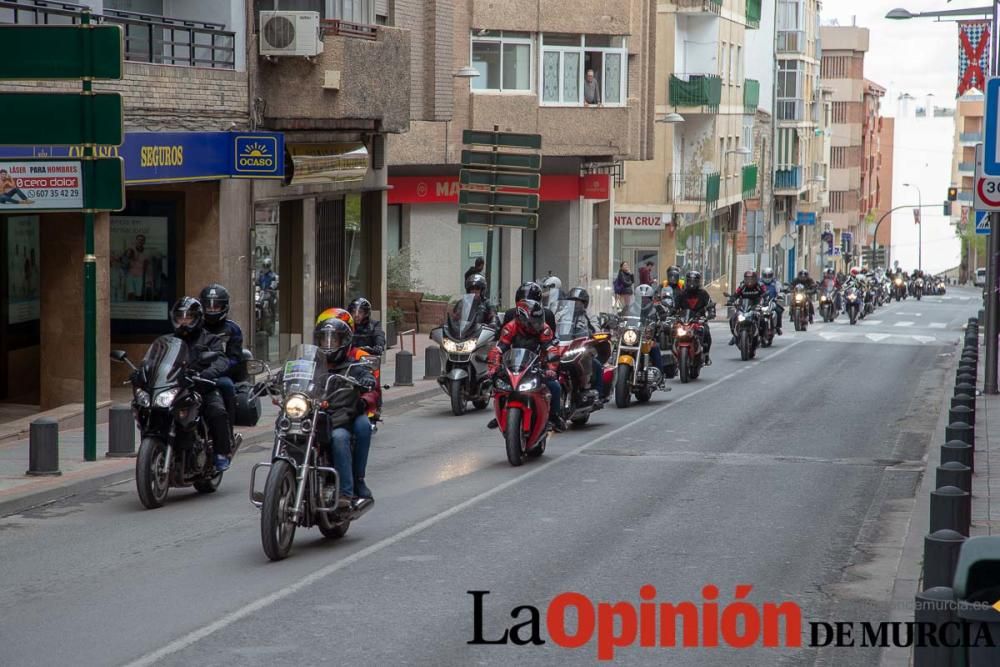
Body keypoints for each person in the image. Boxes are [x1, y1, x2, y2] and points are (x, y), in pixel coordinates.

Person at [313, 318, 379, 505]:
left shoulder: (353, 365)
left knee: (342, 437)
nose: (327, 345)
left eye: (332, 340)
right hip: (312, 416)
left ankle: (348, 490)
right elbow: (293, 373)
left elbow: (368, 377)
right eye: (323, 340)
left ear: (343, 343)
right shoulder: (313, 365)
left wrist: (367, 381)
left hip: (340, 418)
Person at [169, 297, 233, 471]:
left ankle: (221, 452)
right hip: (173, 389)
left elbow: (221, 359)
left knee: (216, 411)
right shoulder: (168, 341)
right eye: (180, 317)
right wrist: (143, 371)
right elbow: (154, 360)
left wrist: (207, 373)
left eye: (188, 317)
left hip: (201, 386)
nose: (184, 321)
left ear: (196, 318)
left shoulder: (210, 340)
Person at [488, 299, 566, 432]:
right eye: (534, 321)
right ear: (522, 319)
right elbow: (499, 349)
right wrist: (493, 367)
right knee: (496, 385)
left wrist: (551, 369)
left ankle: (554, 417)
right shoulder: (510, 328)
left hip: (537, 367)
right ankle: (500, 414)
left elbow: (551, 349)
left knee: (555, 386)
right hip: (513, 367)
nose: (537, 324)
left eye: (539, 320)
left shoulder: (544, 329)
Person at [199, 284, 244, 427]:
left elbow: (235, 358)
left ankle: (228, 429)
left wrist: (216, 370)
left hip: (220, 374)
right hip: (195, 372)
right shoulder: (196, 326)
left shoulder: (232, 329)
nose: (212, 310)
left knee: (227, 386)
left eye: (216, 307)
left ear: (224, 307)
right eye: (208, 306)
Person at [566, 287, 605, 399]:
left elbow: (596, 330)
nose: (575, 304)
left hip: (583, 348)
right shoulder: (562, 315)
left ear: (585, 303)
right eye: (572, 301)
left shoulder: (589, 315)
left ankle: (598, 394)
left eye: (579, 301)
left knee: (596, 365)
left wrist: (592, 333)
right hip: (564, 348)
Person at [677, 271, 714, 365]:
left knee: (706, 332)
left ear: (699, 282)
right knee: (673, 332)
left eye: (694, 281)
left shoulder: (703, 293)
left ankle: (706, 354)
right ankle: (675, 356)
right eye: (690, 281)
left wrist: (711, 312)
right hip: (684, 320)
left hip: (699, 320)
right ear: (686, 281)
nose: (692, 284)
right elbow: (674, 306)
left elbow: (710, 304)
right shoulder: (682, 294)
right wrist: (670, 313)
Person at [634, 283, 665, 378]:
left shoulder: (656, 309)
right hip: (633, 337)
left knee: (655, 348)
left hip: (648, 338)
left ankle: (660, 375)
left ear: (651, 299)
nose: (643, 301)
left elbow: (663, 317)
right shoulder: (630, 307)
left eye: (646, 298)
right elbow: (622, 316)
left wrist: (661, 323)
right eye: (641, 298)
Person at [728, 271, 768, 344]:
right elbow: (736, 294)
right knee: (732, 318)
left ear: (755, 279)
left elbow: (765, 293)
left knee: (762, 320)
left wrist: (765, 300)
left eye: (751, 279)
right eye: (747, 279)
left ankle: (762, 337)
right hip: (743, 307)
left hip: (755, 306)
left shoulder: (760, 285)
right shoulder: (742, 286)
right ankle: (734, 336)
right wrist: (731, 300)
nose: (749, 281)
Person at [760, 267, 784, 335]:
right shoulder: (759, 282)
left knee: (779, 310)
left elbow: (780, 290)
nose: (767, 278)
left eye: (769, 275)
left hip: (772, 301)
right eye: (765, 275)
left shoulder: (776, 282)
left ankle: (777, 327)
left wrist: (780, 295)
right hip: (761, 302)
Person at [125, 234, 149, 301]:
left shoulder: (146, 253)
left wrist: (147, 279)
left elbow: (146, 266)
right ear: (136, 241)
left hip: (140, 276)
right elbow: (126, 259)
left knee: (138, 295)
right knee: (130, 293)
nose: (140, 241)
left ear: (144, 242)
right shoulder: (131, 250)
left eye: (142, 240)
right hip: (130, 275)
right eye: (138, 239)